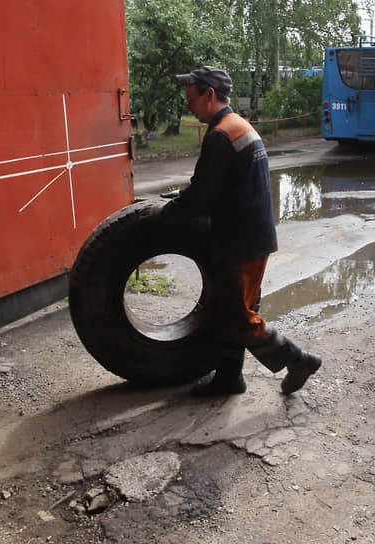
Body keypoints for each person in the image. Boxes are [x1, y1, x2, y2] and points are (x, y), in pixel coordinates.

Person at [145, 66, 321, 396]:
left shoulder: (220, 136)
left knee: (238, 317)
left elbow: (201, 197)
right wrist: (185, 197)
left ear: (209, 94)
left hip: (239, 240)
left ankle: (299, 359)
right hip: (253, 235)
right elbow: (217, 186)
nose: (189, 106)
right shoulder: (238, 126)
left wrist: (163, 215)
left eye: (191, 98)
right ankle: (229, 377)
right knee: (233, 308)